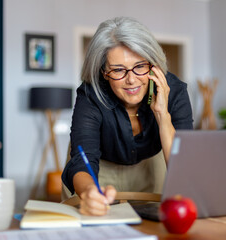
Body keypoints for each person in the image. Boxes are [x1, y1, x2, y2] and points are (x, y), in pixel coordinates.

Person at [62, 16, 193, 216]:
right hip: (98, 169)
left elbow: (185, 169)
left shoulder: (174, 90)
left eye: (140, 66)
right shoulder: (91, 95)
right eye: (118, 70)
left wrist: (162, 116)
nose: (131, 80)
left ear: (154, 63)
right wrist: (89, 192)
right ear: (103, 72)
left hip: (151, 163)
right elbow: (83, 159)